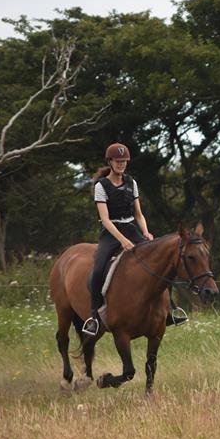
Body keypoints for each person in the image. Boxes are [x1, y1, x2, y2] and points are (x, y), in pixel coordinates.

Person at [82, 143, 186, 338]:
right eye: (118, 161)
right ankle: (94, 317)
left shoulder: (132, 183)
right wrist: (121, 240)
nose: (121, 164)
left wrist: (146, 232)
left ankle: (170, 310)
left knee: (161, 265)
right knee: (97, 271)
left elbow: (138, 213)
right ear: (110, 162)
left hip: (132, 230)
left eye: (124, 161)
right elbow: (105, 219)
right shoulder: (101, 186)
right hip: (111, 233)